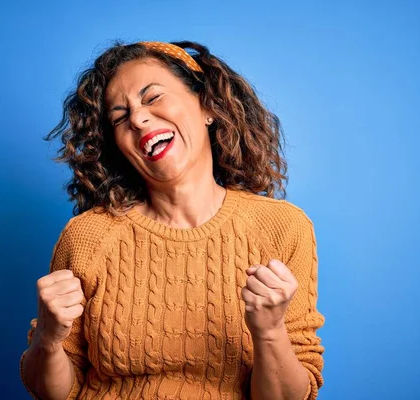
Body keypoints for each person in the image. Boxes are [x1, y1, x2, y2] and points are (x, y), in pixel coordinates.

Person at [19, 40, 325, 400]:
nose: (137, 118)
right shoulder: (87, 235)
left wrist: (270, 331)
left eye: (152, 98)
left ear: (208, 105)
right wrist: (48, 340)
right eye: (120, 117)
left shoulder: (282, 228)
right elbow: (51, 391)